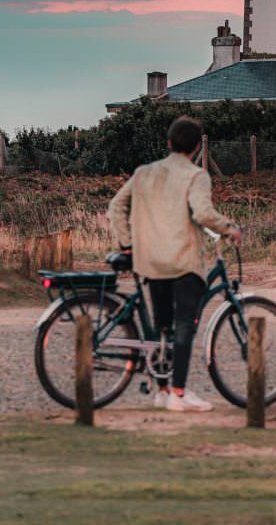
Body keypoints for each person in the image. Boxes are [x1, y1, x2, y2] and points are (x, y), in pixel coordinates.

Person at [108, 115, 241, 412]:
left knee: (162, 327)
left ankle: (163, 389)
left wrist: (127, 244)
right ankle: (178, 394)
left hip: (150, 263)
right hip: (182, 262)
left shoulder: (144, 172)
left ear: (168, 143)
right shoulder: (196, 176)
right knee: (184, 327)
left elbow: (116, 205)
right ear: (196, 148)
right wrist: (230, 228)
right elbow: (204, 214)